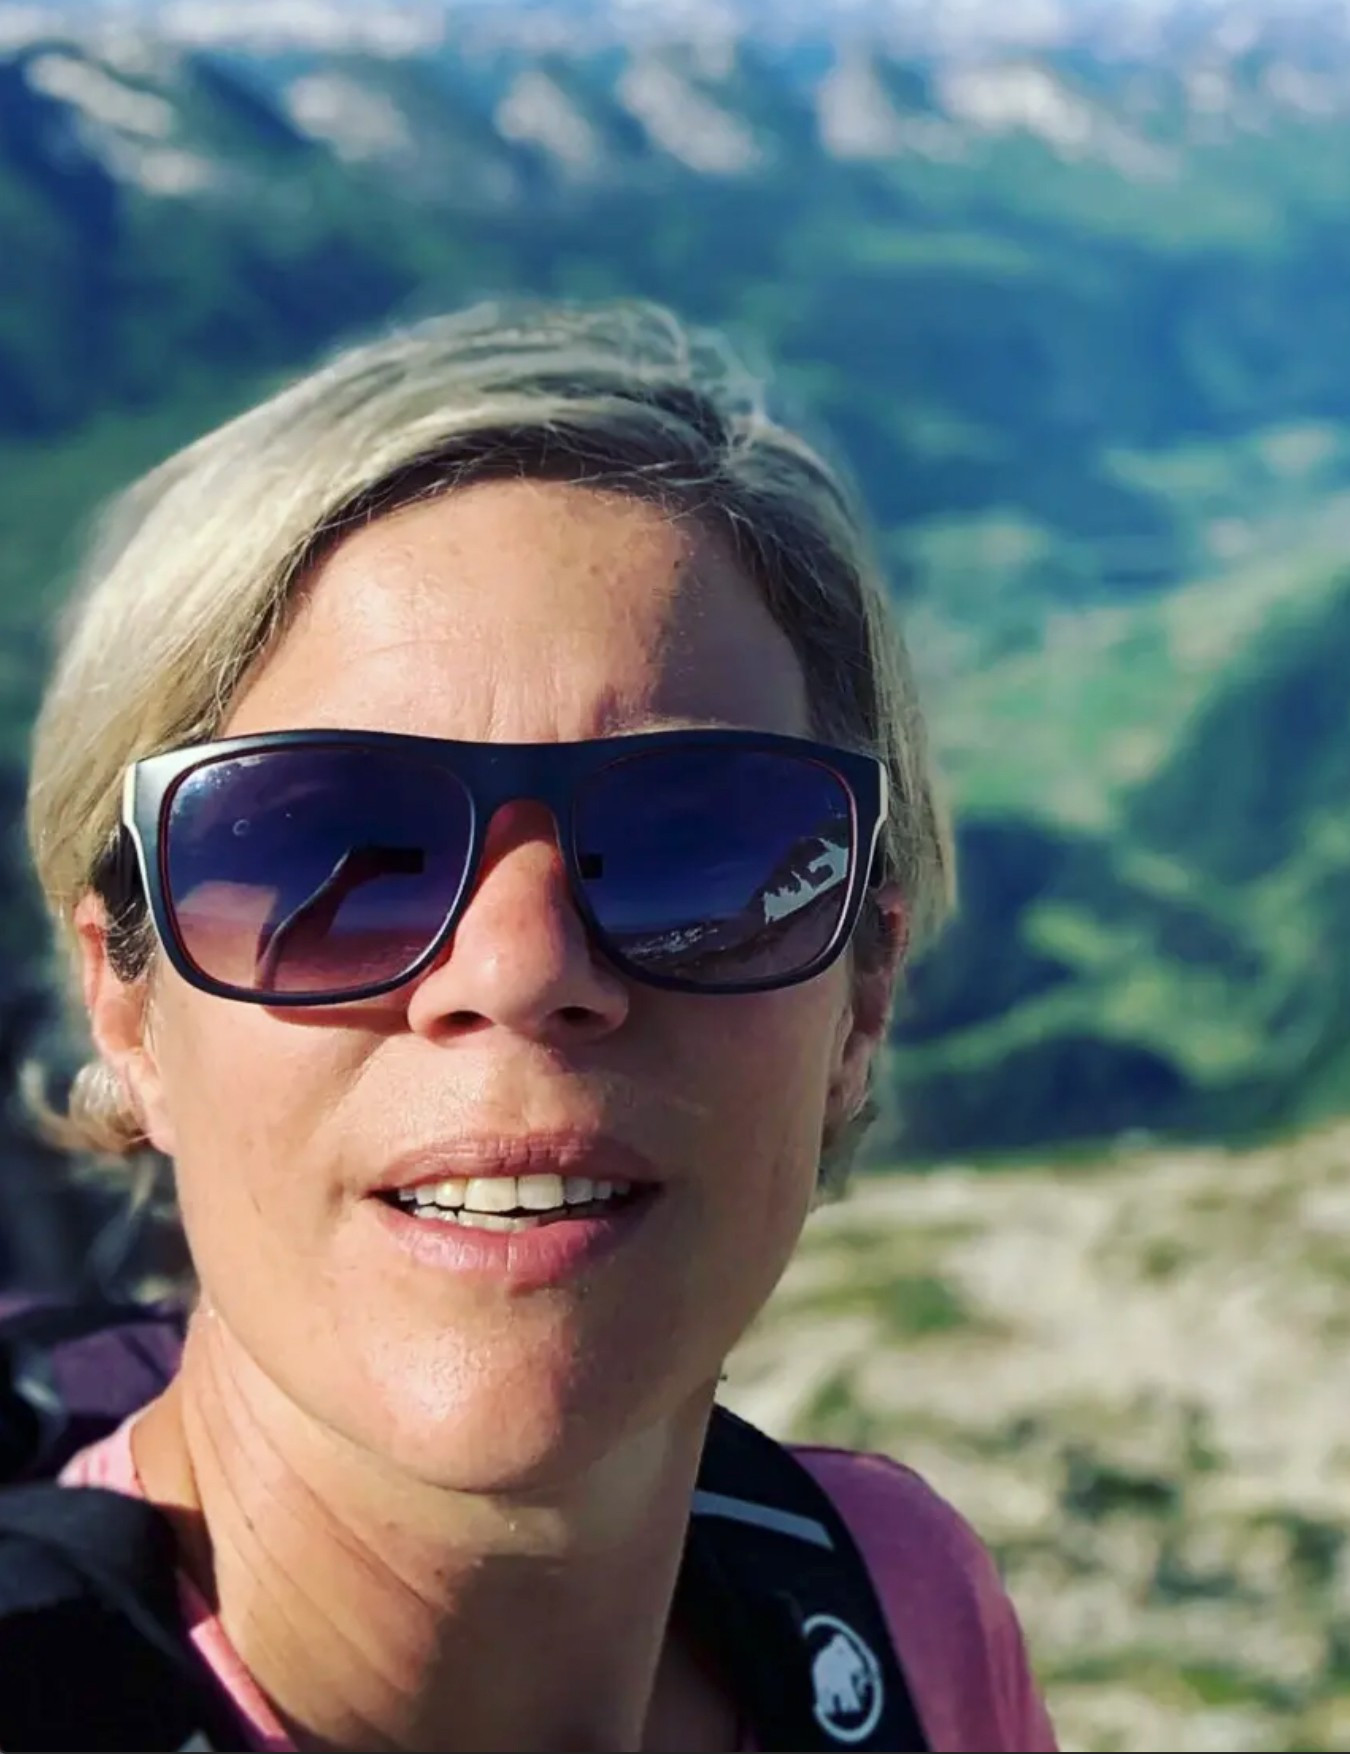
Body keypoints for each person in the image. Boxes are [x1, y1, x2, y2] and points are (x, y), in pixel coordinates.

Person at [7, 300, 1058, 1750]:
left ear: (859, 999)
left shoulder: (904, 1611)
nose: (518, 966)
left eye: (697, 846)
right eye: (328, 850)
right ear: (128, 1009)